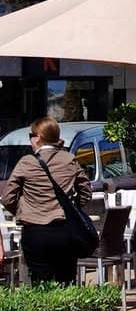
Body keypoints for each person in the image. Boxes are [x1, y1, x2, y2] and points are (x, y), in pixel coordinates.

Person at [0, 117, 92, 284]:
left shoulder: (26, 163)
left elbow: (7, 197)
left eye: (31, 135)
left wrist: (23, 211)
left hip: (35, 231)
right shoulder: (69, 160)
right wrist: (72, 208)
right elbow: (86, 191)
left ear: (38, 137)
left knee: (41, 283)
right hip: (65, 230)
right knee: (66, 282)